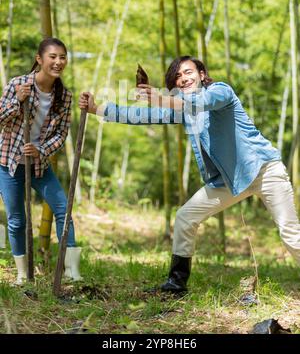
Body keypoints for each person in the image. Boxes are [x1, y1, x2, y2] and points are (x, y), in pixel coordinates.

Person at [79, 55, 300, 293]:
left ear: (202, 74)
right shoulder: (184, 109)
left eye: (188, 72)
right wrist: (96, 108)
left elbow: (201, 102)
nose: (183, 78)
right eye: (178, 76)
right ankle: (176, 284)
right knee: (185, 217)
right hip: (228, 181)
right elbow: (141, 116)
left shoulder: (221, 92)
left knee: (290, 233)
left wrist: (161, 99)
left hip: (264, 170)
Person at [0, 38, 82, 285]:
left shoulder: (64, 96)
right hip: (9, 163)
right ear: (39, 59)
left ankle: (71, 272)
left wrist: (41, 149)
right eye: (53, 57)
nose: (58, 62)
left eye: (62, 57)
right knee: (16, 220)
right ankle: (24, 275)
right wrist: (17, 102)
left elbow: (61, 134)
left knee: (63, 210)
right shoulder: (18, 84)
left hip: (39, 165)